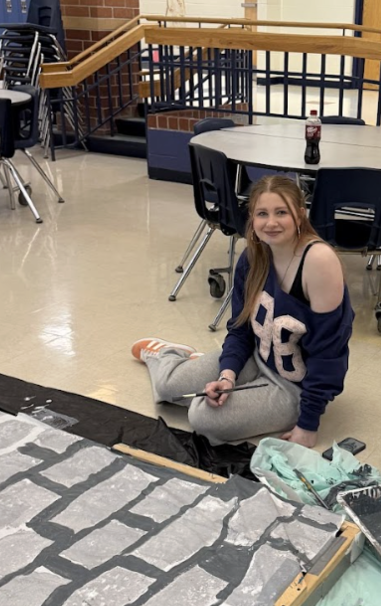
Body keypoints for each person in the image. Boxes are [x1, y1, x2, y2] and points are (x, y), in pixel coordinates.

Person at [133, 175, 354, 447]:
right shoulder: (252, 258)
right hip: (255, 356)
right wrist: (228, 375)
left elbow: (329, 354)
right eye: (262, 213)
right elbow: (239, 330)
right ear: (252, 218)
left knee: (201, 418)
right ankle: (168, 354)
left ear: (300, 215)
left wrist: (308, 424)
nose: (271, 223)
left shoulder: (318, 261)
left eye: (281, 212)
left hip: (291, 387)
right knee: (166, 388)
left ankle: (219, 379)